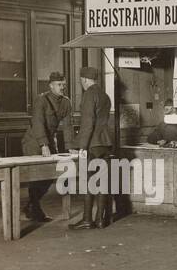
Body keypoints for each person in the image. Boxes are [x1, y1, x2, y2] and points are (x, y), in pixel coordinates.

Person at [19, 71, 73, 221]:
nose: (62, 87)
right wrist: (43, 145)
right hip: (34, 141)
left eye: (64, 85)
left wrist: (70, 147)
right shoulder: (41, 100)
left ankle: (31, 205)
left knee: (50, 175)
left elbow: (68, 126)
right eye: (59, 85)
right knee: (37, 175)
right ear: (51, 85)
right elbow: (38, 123)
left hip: (49, 140)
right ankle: (34, 209)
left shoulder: (66, 102)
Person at [73, 64, 114, 229]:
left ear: (83, 80)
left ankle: (87, 220)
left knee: (88, 180)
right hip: (105, 143)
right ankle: (100, 219)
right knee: (102, 181)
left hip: (92, 144)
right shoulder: (105, 95)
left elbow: (88, 123)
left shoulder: (89, 95)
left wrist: (82, 146)